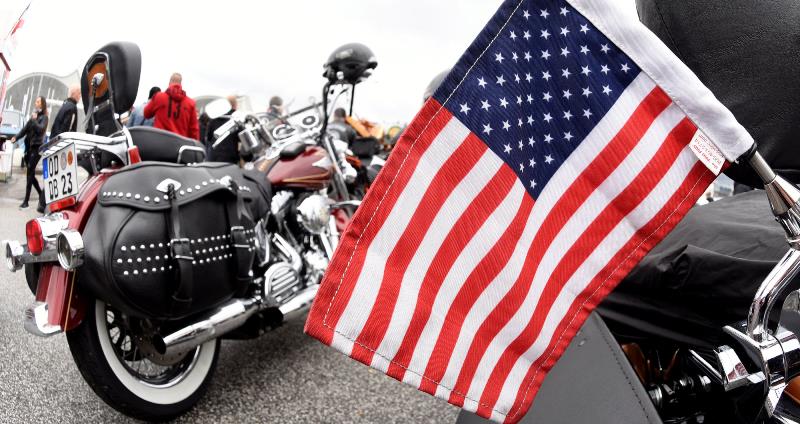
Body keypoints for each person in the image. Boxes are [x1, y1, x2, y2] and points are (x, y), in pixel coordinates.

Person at [11, 96, 48, 212]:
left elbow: (41, 129)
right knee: (31, 174)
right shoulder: (34, 116)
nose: (35, 103)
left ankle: (26, 202)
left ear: (42, 104)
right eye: (36, 101)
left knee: (30, 172)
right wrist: (16, 137)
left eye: (38, 101)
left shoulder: (44, 117)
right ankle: (42, 195)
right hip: (29, 148)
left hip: (37, 148)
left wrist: (34, 120)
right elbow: (25, 130)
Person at [143, 73, 199, 140]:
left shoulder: (158, 97)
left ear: (169, 83)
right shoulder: (191, 103)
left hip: (158, 142)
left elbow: (146, 114)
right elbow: (194, 131)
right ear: (181, 84)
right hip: (179, 145)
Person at [207, 95, 239, 164]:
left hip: (213, 157)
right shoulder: (236, 119)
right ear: (235, 105)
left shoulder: (214, 117)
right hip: (229, 158)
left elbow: (209, 137)